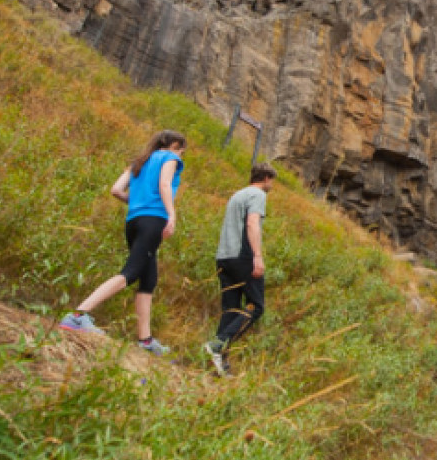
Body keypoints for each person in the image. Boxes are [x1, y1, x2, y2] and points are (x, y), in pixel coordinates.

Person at [59, 129, 186, 355]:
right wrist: (172, 215)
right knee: (131, 272)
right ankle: (78, 315)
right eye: (182, 150)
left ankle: (145, 341)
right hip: (154, 219)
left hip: (134, 220)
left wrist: (137, 201)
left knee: (148, 279)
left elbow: (116, 190)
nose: (182, 155)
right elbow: (165, 185)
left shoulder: (139, 161)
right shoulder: (170, 158)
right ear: (174, 145)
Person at [204, 162, 277, 376]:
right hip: (242, 256)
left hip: (224, 256)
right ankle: (218, 345)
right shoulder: (258, 195)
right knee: (257, 306)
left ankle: (219, 362)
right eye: (271, 181)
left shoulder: (237, 195)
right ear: (266, 179)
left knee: (232, 308)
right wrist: (257, 256)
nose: (271, 185)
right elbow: (252, 223)